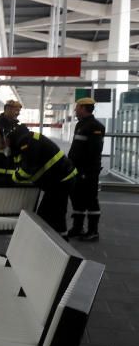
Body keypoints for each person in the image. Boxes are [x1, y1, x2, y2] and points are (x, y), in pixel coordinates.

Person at [0, 125, 76, 237]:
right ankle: (57, 241)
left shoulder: (27, 143)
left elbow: (27, 171)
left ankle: (61, 243)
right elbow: (20, 165)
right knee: (50, 215)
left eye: (2, 146)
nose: (4, 150)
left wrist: (11, 179)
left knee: (51, 216)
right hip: (57, 180)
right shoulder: (19, 143)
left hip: (62, 179)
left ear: (5, 138)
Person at [67, 96, 105, 241]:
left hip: (88, 171)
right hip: (77, 169)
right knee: (77, 199)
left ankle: (93, 231)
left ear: (83, 108)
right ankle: (77, 228)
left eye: (77, 107)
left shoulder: (95, 127)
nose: (75, 110)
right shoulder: (81, 125)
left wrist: (85, 171)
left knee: (91, 200)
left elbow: (94, 152)